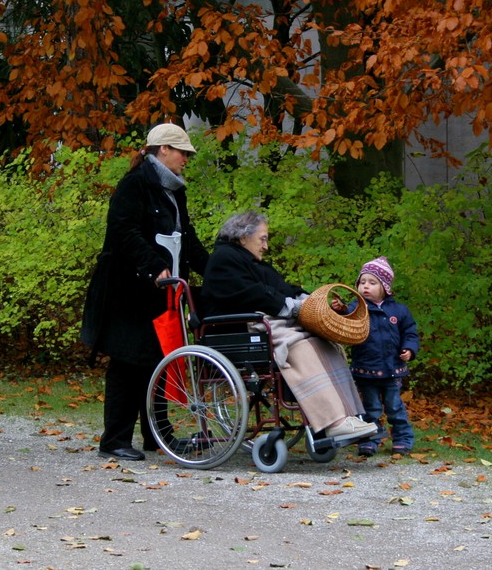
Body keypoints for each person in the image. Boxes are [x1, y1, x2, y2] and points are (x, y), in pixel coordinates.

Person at [81, 123, 209, 461]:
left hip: (160, 293)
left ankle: (158, 436)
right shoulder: (134, 184)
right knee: (127, 362)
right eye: (183, 152)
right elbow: (123, 231)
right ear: (163, 150)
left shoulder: (173, 191)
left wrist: (215, 271)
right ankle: (114, 440)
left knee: (156, 362)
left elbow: (187, 238)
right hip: (127, 290)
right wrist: (153, 266)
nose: (186, 159)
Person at [200, 211, 378, 442]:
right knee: (299, 344)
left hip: (259, 322)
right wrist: (294, 307)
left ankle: (349, 415)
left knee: (324, 342)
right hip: (237, 328)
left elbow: (282, 287)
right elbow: (251, 294)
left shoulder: (249, 260)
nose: (266, 245)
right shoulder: (224, 259)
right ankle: (334, 421)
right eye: (262, 238)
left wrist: (310, 300)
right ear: (243, 237)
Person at [333, 256, 419, 457]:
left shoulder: (399, 311)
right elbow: (344, 322)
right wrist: (340, 310)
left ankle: (403, 439)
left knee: (395, 407)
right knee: (370, 409)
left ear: (385, 287)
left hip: (392, 370)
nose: (366, 287)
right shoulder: (356, 308)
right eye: (362, 282)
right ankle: (370, 440)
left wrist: (409, 348)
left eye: (372, 283)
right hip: (366, 369)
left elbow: (411, 332)